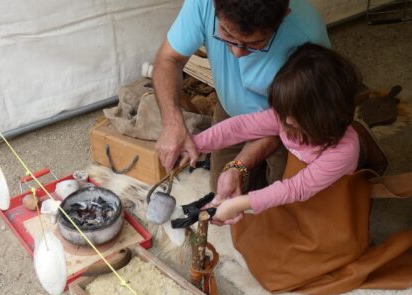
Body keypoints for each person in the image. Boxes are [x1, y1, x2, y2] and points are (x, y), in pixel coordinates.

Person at [153, 0, 331, 199]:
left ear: (283, 17)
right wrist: (172, 124)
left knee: (283, 207)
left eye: (254, 43)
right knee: (221, 193)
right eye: (227, 34)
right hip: (230, 109)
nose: (237, 53)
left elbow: (286, 121)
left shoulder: (307, 35)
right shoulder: (201, 3)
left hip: (288, 124)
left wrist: (239, 165)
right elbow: (169, 58)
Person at [189, 42, 360, 223]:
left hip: (328, 197)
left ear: (323, 117)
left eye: (296, 118)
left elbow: (296, 189)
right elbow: (240, 127)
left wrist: (237, 204)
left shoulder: (344, 150)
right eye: (284, 112)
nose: (286, 121)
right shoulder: (286, 114)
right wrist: (195, 144)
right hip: (300, 182)